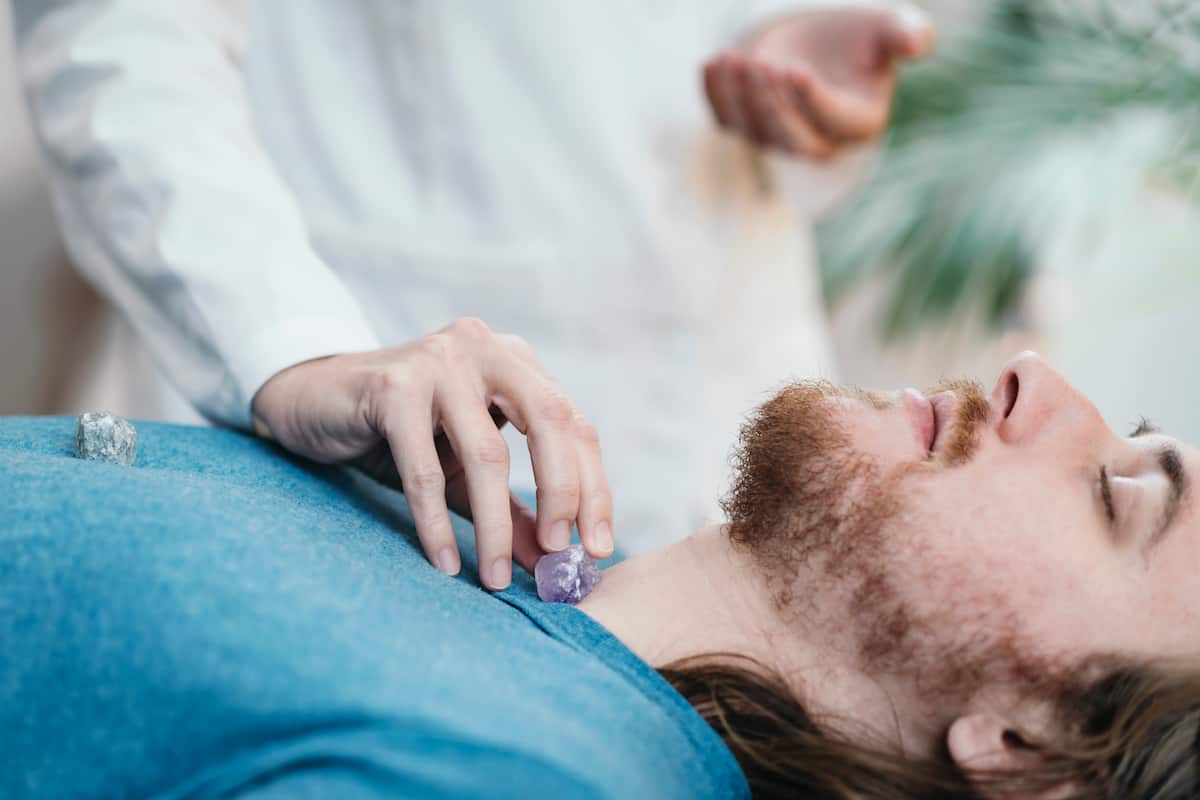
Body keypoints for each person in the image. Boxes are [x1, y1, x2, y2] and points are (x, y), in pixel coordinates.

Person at [11, 1, 936, 589]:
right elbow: (122, 34)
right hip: (378, 374)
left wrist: (803, 65)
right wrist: (291, 345)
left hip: (736, 356)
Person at [3, 350, 1198, 799]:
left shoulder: (531, 777)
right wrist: (296, 376)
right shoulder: (522, 542)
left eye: (1119, 498)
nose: (1039, 379)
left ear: (1033, 752)